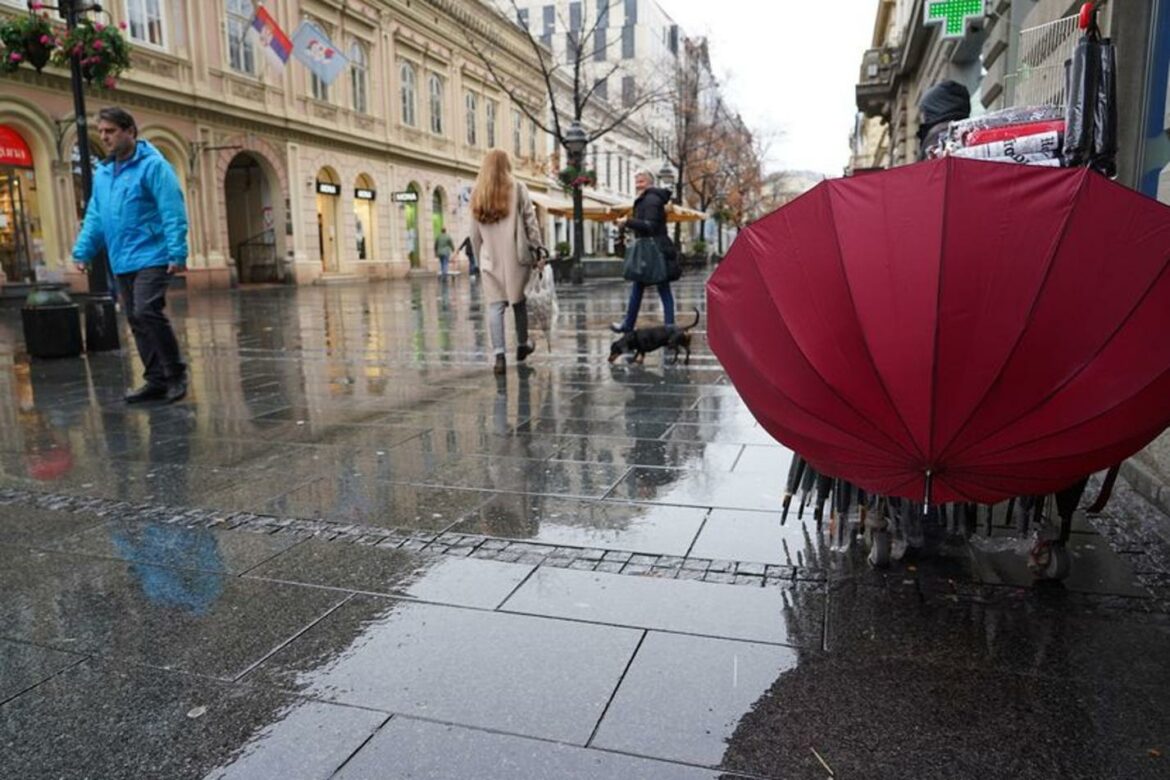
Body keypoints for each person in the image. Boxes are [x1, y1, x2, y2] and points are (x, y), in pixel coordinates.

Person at [73, 107, 189, 404]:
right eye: (101, 132)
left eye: (110, 131)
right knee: (135, 319)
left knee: (146, 310)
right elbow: (96, 216)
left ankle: (175, 374)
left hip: (154, 254)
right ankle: (155, 380)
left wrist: (177, 251)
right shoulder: (103, 174)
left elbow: (172, 210)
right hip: (122, 258)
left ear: (129, 131)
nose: (104, 137)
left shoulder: (154, 166)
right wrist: (83, 251)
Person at [470, 149, 546, 375]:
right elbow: (530, 222)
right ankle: (522, 345)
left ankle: (499, 356)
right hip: (516, 256)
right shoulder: (518, 187)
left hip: (489, 258)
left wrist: (478, 259)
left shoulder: (478, 191)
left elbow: (473, 233)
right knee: (518, 302)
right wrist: (539, 249)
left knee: (495, 307)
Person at [611, 169, 675, 334]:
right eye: (637, 181)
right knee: (644, 287)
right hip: (652, 248)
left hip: (654, 250)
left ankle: (665, 326)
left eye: (641, 181)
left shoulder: (651, 200)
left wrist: (627, 221)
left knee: (660, 287)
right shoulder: (647, 199)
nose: (638, 184)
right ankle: (664, 326)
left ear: (649, 182)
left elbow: (650, 225)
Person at [916, 80, 971, 161]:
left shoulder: (938, 134)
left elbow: (933, 169)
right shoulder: (967, 129)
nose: (924, 116)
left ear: (934, 109)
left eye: (926, 111)